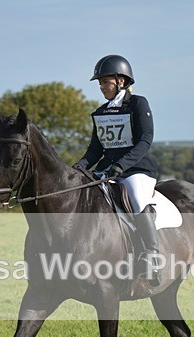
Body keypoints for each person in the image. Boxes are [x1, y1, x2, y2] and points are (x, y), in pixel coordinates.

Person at [74, 54, 160, 286]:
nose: (101, 87)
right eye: (100, 83)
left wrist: (122, 165)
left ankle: (152, 256)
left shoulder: (138, 104)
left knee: (137, 196)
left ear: (121, 81)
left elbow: (146, 139)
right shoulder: (101, 112)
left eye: (105, 82)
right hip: (107, 169)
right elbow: (95, 149)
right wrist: (81, 166)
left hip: (135, 169)